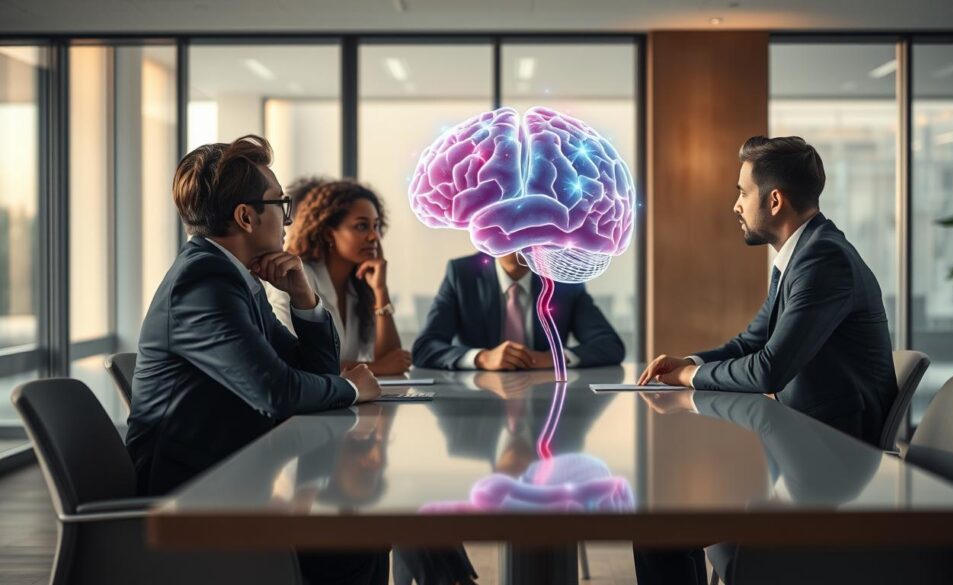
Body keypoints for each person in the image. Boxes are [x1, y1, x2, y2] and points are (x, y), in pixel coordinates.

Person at [633, 135, 898, 585]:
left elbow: (768, 368)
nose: (736, 205)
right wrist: (687, 361)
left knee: (658, 528)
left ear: (774, 200)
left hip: (831, 474)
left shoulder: (824, 259)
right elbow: (750, 342)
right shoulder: (800, 257)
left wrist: (689, 376)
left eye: (742, 192)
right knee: (668, 513)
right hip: (801, 454)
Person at [125, 135, 387, 584]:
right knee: (356, 541)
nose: (287, 220)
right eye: (280, 204)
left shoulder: (234, 276)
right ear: (246, 216)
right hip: (190, 501)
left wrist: (304, 297)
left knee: (360, 532)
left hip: (229, 479)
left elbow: (309, 373)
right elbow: (276, 393)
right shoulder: (203, 283)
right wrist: (351, 388)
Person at [267, 179, 411, 375]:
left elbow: (394, 361)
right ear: (328, 233)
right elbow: (296, 361)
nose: (374, 237)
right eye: (361, 226)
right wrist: (377, 368)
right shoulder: (296, 277)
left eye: (375, 226)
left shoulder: (359, 285)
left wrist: (380, 291)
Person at [412, 251, 625, 370]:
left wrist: (553, 359)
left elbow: (610, 345)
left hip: (549, 406)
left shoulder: (563, 281)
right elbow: (425, 348)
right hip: (476, 406)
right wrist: (482, 358)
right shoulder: (461, 274)